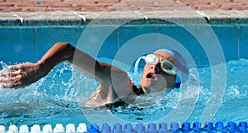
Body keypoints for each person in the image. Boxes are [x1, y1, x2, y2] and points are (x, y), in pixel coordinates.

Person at [0, 42, 188, 108]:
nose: (155, 68)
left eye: (167, 67)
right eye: (152, 60)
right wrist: (41, 68)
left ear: (175, 83)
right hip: (35, 112)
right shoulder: (120, 82)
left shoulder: (169, 110)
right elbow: (67, 50)